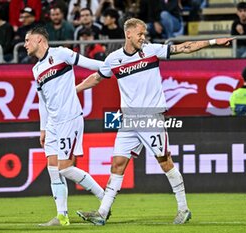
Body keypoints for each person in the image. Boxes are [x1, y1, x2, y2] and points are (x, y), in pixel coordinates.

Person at [75, 18, 234, 225]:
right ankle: (102, 213)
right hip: (128, 120)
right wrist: (75, 90)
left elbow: (184, 48)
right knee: (117, 164)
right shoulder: (114, 59)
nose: (143, 37)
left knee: (164, 161)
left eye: (144, 33)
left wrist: (213, 42)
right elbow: (97, 78)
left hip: (151, 116)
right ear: (128, 34)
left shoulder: (151, 51)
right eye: (140, 33)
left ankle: (183, 209)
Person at [23, 26, 105, 226]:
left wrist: (111, 66)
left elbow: (90, 63)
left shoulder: (61, 53)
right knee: (53, 169)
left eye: (27, 40)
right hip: (52, 124)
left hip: (69, 118)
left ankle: (105, 199)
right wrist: (43, 128)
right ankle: (62, 216)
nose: (25, 44)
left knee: (66, 168)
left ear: (40, 40)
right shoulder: (36, 69)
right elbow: (42, 101)